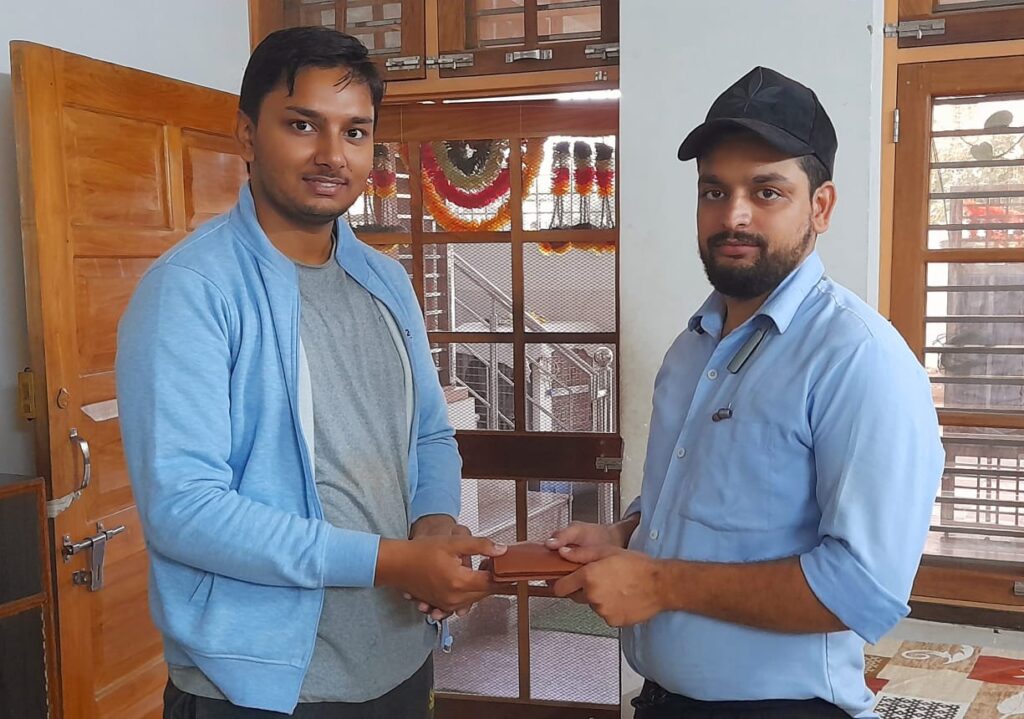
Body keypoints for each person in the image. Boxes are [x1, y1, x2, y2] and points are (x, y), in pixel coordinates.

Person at [117, 26, 505, 719]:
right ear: (247, 133)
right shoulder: (193, 289)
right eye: (303, 125)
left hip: (399, 657)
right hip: (257, 688)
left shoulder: (386, 281)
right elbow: (185, 509)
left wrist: (434, 524)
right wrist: (388, 561)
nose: (332, 155)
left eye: (355, 132)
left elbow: (428, 435)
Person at [546, 66, 944, 718]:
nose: (733, 216)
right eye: (714, 191)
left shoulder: (857, 358)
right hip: (663, 702)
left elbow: (861, 588)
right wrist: (624, 535)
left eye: (767, 192)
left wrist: (659, 583)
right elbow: (694, 497)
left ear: (820, 207)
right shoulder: (692, 347)